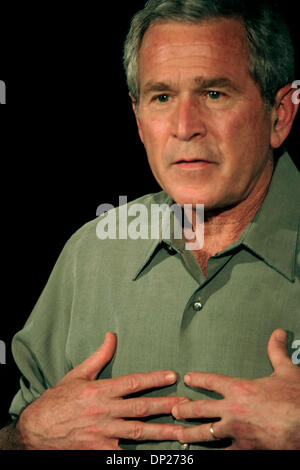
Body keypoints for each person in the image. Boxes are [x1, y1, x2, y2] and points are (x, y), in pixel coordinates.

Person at [0, 0, 299, 450]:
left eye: (214, 94)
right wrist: (27, 436)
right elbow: (16, 431)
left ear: (279, 115)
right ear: (139, 121)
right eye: (162, 97)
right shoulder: (91, 252)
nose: (184, 127)